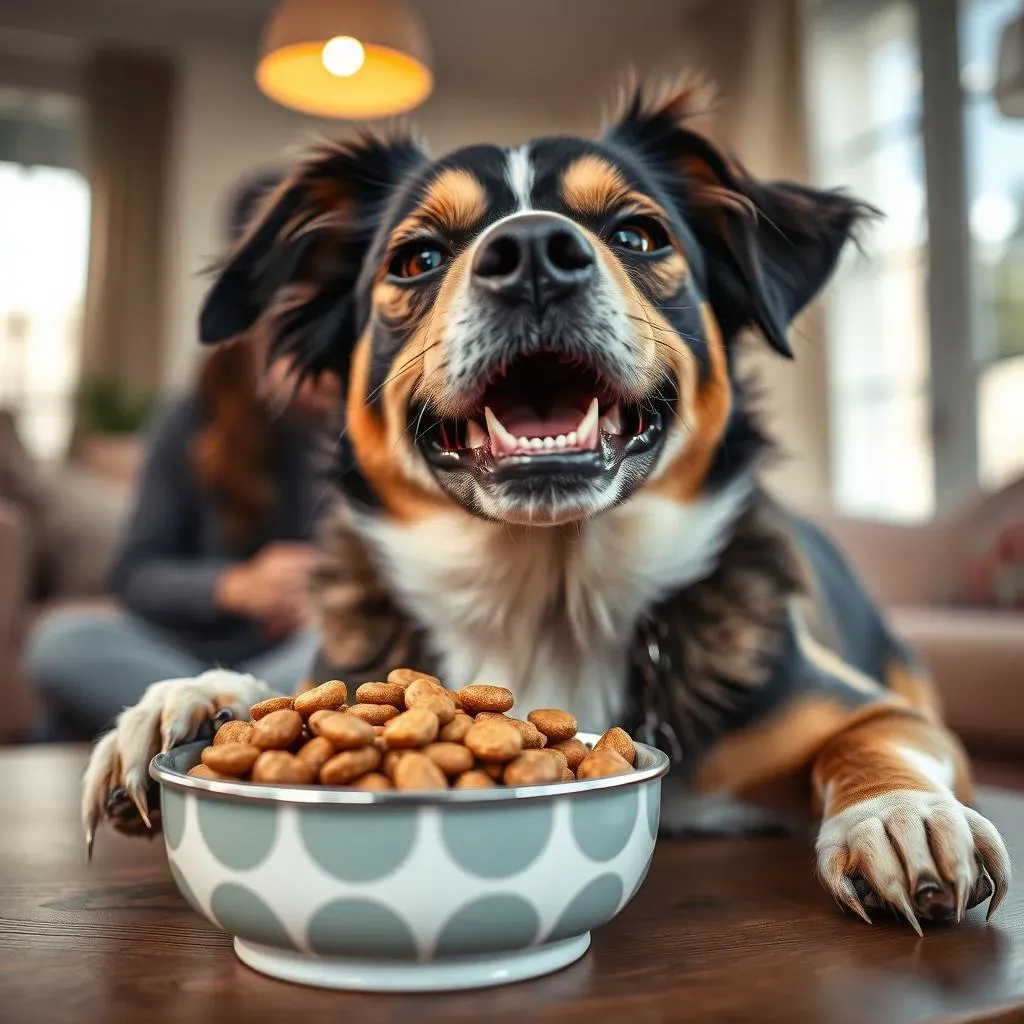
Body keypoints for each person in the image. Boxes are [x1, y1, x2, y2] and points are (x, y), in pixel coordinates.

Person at [25, 342, 340, 738]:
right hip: (173, 652)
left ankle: (202, 723)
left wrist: (324, 597)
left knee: (357, 646)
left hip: (281, 660)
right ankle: (242, 722)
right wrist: (236, 587)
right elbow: (135, 576)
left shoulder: (363, 426)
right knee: (59, 641)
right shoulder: (191, 418)